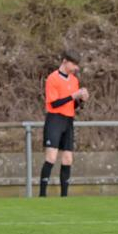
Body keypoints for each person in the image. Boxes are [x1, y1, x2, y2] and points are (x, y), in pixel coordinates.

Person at [39, 49, 89, 197]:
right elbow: (54, 104)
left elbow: (73, 104)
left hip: (68, 120)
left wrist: (81, 100)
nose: (76, 68)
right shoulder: (53, 78)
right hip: (55, 119)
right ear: (65, 62)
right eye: (74, 64)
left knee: (68, 158)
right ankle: (42, 195)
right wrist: (73, 95)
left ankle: (64, 196)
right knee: (51, 157)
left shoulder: (74, 80)